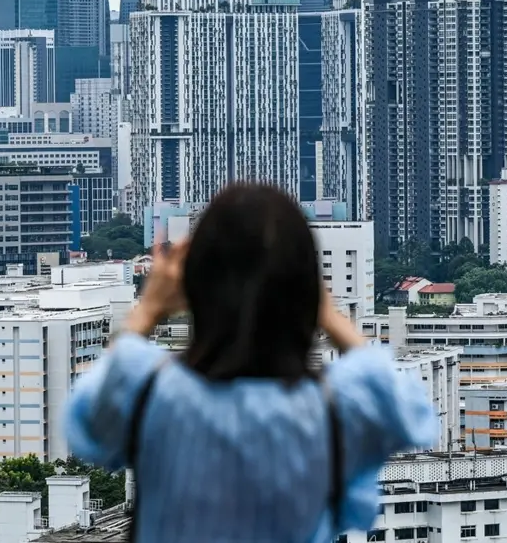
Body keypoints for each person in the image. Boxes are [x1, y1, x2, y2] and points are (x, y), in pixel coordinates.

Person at [64, 183, 436, 542]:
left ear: (196, 286)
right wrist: (328, 313)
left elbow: (87, 422)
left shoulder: (148, 390)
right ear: (306, 291)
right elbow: (411, 414)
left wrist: (148, 309)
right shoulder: (333, 409)